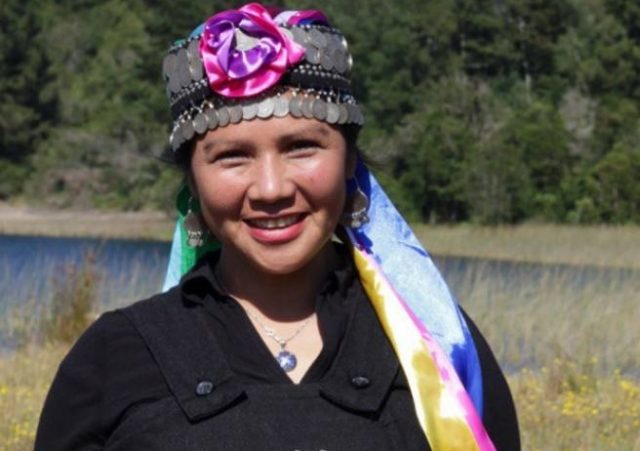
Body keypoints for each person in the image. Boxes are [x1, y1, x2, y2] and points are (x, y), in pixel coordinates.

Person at [36, 3, 519, 450]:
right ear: (192, 182)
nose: (271, 189)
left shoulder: (437, 347)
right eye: (232, 156)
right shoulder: (114, 358)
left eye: (301, 147)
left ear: (350, 160)